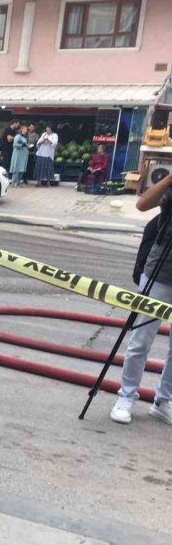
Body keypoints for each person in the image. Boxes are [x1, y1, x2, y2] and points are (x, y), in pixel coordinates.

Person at [111, 170, 172, 425]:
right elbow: (143, 204)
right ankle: (126, 396)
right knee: (141, 339)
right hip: (159, 271)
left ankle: (163, 400)